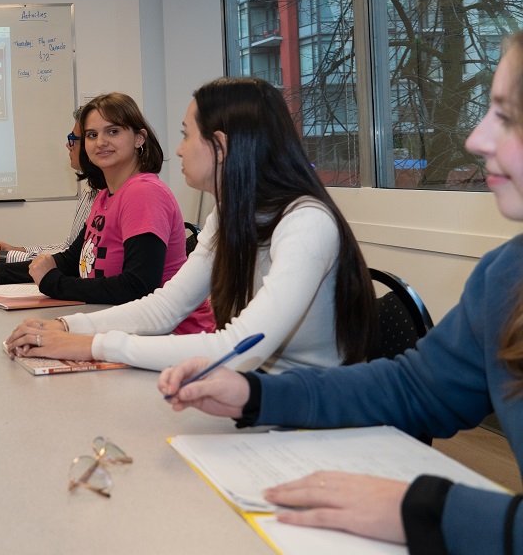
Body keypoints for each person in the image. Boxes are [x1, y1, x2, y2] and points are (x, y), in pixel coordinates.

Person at [160, 37, 523, 553]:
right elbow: (415, 391)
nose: (475, 138)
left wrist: (419, 509)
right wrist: (254, 396)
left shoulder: (306, 220)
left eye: (506, 117)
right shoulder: (507, 275)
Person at [4, 77, 376, 373]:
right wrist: (69, 328)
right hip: (251, 387)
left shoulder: (306, 223)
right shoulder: (230, 214)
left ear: (220, 145)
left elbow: (238, 345)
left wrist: (92, 344)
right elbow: (165, 306)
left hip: (304, 405)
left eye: (186, 134)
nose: (179, 149)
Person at [0, 93, 214, 333]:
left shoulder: (143, 193)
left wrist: (52, 282)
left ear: (139, 138)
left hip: (171, 336)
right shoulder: (105, 196)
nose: (101, 142)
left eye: (113, 131)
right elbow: (72, 261)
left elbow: (137, 286)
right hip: (124, 326)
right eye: (92, 135)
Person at [0, 109, 99, 264]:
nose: (68, 145)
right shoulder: (91, 190)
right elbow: (69, 248)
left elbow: (75, 261)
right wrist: (18, 251)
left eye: (73, 138)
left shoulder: (109, 195)